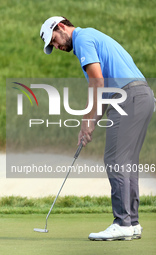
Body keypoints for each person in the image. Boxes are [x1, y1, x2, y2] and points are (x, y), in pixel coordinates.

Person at [40, 16, 155, 241]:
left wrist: (84, 119)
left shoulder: (82, 38)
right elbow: (103, 94)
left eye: (54, 40)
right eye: (53, 46)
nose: (57, 46)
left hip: (128, 98)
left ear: (61, 27)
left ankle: (122, 222)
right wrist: (90, 124)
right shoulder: (92, 37)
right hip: (142, 97)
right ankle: (131, 224)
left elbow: (97, 83)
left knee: (115, 160)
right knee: (127, 162)